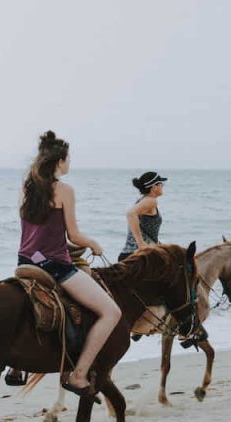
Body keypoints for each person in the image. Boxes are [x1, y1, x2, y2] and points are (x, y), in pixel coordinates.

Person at [16, 131, 121, 397]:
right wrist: (92, 243)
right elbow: (73, 235)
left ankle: (16, 367)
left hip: (26, 260)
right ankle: (78, 374)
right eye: (68, 158)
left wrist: (71, 247)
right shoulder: (64, 190)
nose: (69, 162)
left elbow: (36, 235)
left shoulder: (26, 188)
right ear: (59, 161)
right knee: (111, 312)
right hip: (54, 266)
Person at [118, 171, 166, 262]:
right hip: (138, 257)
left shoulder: (144, 200)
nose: (162, 186)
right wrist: (141, 244)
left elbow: (146, 229)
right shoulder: (151, 201)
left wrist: (158, 245)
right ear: (154, 187)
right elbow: (130, 214)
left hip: (132, 254)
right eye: (161, 184)